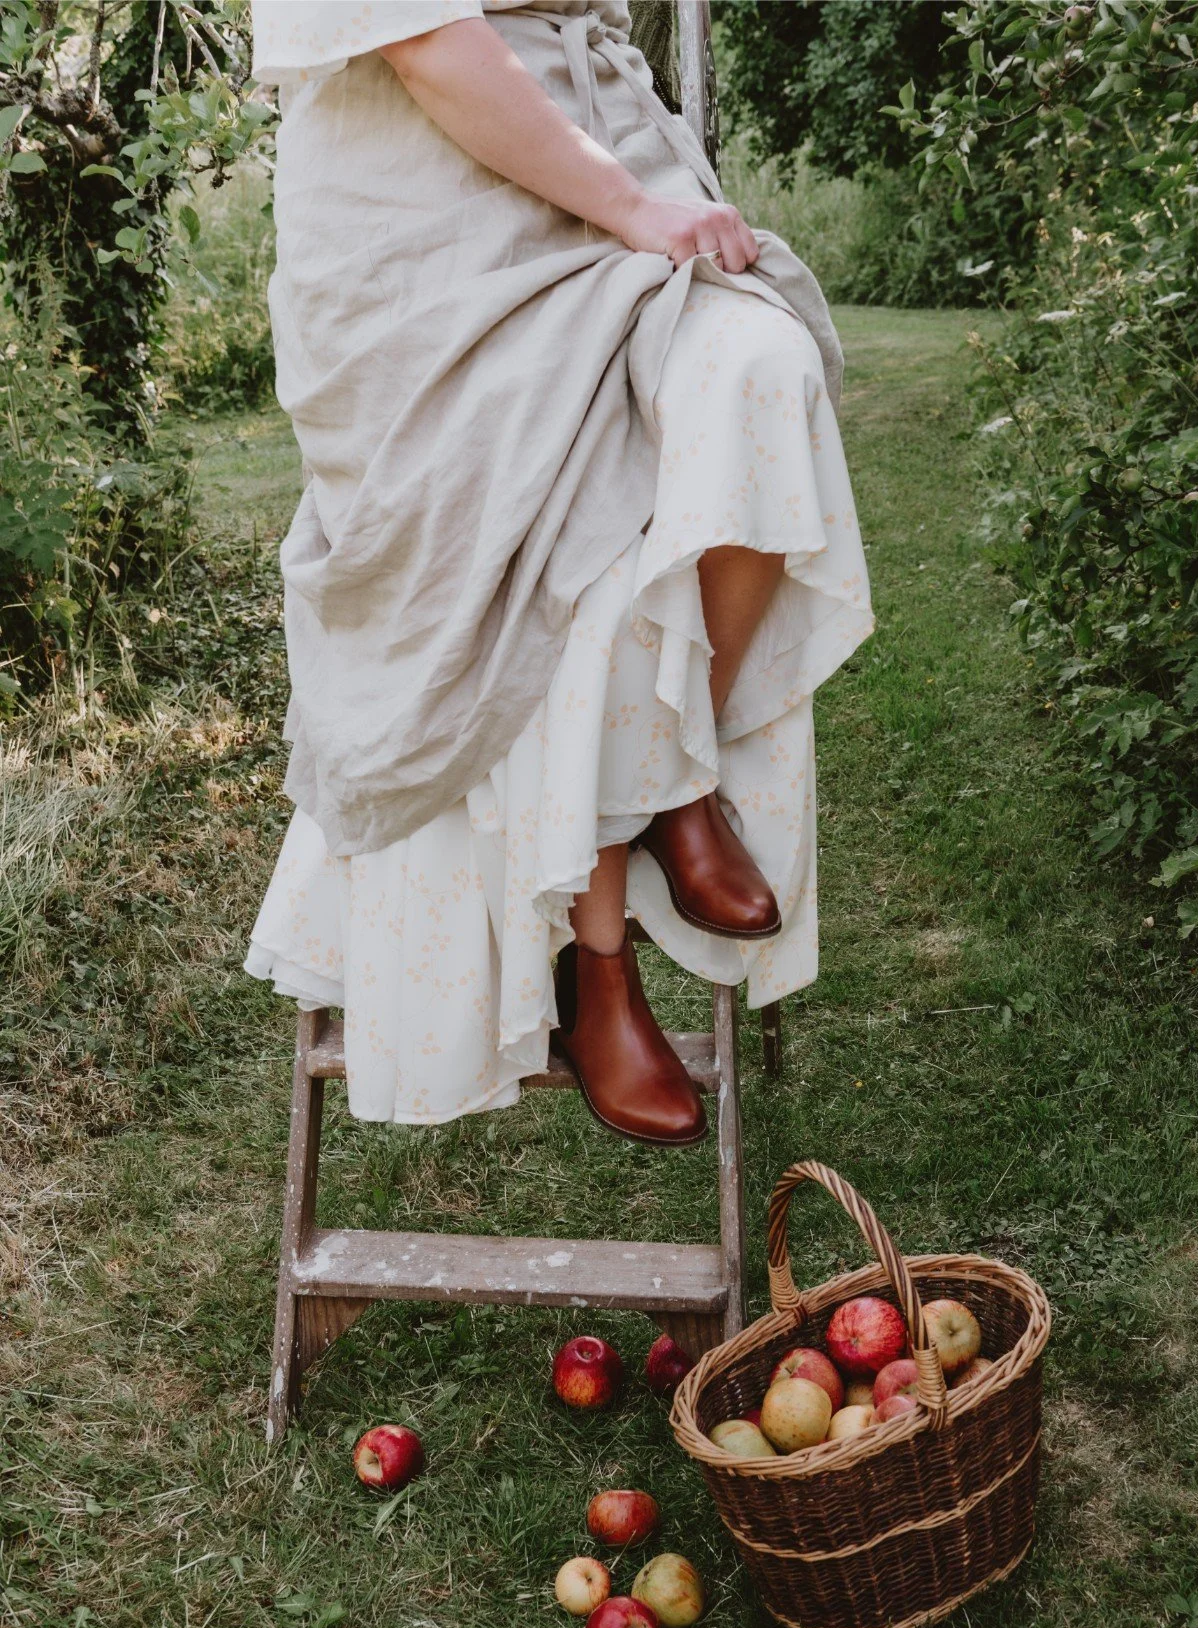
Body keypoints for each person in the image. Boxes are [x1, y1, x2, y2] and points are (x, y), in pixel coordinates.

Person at [245, 0, 873, 1144]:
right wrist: (634, 208)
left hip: (597, 163)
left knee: (763, 376)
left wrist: (638, 191)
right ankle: (600, 969)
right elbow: (423, 37)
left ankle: (660, 781)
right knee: (573, 519)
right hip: (422, 220)